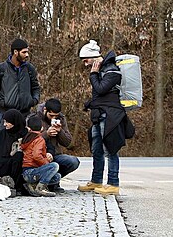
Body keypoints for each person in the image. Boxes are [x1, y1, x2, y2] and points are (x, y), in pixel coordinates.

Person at [77, 40, 134, 196]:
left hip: (110, 117)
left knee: (111, 149)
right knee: (96, 150)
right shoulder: (103, 71)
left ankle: (113, 183)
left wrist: (93, 75)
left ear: (94, 57)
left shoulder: (112, 71)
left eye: (86, 60)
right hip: (99, 115)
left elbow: (101, 89)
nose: (85, 64)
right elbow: (101, 95)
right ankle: (96, 181)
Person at [0, 38, 41, 129]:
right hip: (6, 115)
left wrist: (34, 100)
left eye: (27, 52)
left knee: (25, 142)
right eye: (24, 52)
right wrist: (2, 102)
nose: (27, 55)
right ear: (15, 52)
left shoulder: (30, 69)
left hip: (25, 114)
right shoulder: (0, 69)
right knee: (6, 142)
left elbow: (36, 87)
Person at [38, 98, 80, 192]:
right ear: (45, 110)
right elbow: (29, 139)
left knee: (73, 161)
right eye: (51, 115)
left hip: (56, 154)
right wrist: (46, 134)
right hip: (39, 155)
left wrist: (60, 131)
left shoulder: (61, 118)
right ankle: (43, 182)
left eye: (55, 116)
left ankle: (53, 182)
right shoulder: (35, 117)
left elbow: (67, 142)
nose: (53, 118)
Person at [0, 109, 28, 194]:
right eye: (4, 122)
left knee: (18, 155)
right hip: (3, 169)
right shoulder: (1, 135)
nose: (5, 125)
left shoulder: (25, 134)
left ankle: (16, 186)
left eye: (8, 122)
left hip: (19, 171)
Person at [20, 112, 60, 197]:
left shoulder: (27, 138)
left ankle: (33, 185)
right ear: (42, 128)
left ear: (28, 128)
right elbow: (36, 156)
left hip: (26, 172)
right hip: (31, 171)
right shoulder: (39, 139)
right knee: (54, 166)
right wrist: (46, 162)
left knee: (57, 177)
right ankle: (41, 187)